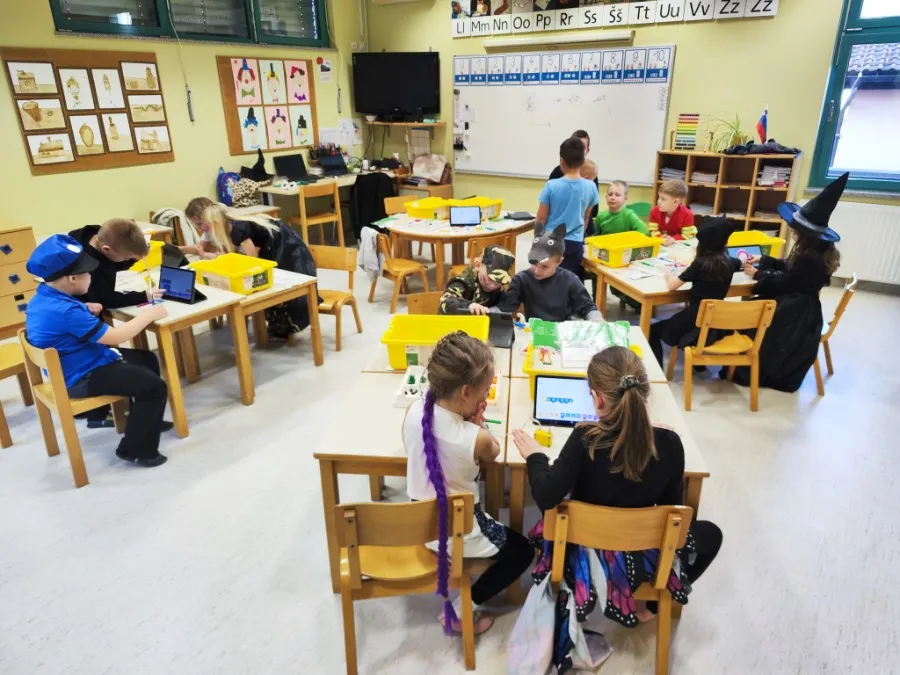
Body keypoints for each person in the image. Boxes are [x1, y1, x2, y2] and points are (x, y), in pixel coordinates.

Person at [512, 347, 722, 638]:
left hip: (584, 552)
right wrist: (654, 434)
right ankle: (655, 605)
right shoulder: (670, 444)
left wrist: (535, 456)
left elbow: (546, 497)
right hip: (640, 551)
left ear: (597, 399)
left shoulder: (584, 439)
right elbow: (671, 508)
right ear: (645, 392)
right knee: (713, 535)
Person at [403, 332, 533, 635]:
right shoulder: (477, 439)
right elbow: (494, 452)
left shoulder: (413, 412)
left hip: (419, 523)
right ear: (465, 392)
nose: (485, 397)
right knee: (523, 552)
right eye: (485, 390)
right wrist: (478, 426)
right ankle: (465, 607)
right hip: (458, 532)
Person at [25, 235, 170, 468]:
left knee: (146, 358)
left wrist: (83, 307)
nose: (91, 276)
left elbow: (60, 316)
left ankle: (145, 419)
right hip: (80, 376)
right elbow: (117, 336)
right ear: (72, 278)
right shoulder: (67, 312)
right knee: (154, 387)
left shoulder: (44, 295)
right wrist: (148, 315)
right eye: (88, 273)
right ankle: (135, 450)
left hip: (73, 365)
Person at [732, 172, 846, 392]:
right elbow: (791, 270)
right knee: (754, 307)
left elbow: (785, 283)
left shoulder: (809, 258)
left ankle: (744, 360)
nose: (793, 231)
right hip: (801, 307)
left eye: (796, 230)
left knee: (752, 313)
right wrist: (765, 261)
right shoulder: (815, 251)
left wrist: (758, 275)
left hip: (794, 315)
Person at [68, 218, 166, 429]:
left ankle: (127, 413)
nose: (127, 261)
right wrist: (146, 307)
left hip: (79, 350)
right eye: (126, 258)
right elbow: (107, 301)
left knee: (145, 359)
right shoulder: (89, 271)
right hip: (82, 364)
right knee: (130, 362)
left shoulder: (92, 234)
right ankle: (99, 413)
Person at [202, 203, 317, 339]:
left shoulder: (236, 229)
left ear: (215, 222)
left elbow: (253, 258)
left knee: (282, 285)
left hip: (285, 245)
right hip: (281, 241)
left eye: (208, 225)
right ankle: (279, 325)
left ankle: (287, 324)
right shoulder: (234, 224)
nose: (207, 229)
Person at [648, 216, 742, 366]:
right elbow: (741, 262)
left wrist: (668, 274)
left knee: (652, 330)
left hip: (694, 321)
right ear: (725, 243)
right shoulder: (730, 262)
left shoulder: (700, 264)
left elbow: (672, 286)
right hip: (715, 323)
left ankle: (657, 370)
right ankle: (699, 366)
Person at [492, 222, 602, 322]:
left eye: (544, 267)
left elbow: (587, 307)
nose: (537, 271)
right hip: (535, 331)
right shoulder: (521, 279)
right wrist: (486, 311)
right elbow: (505, 307)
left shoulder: (570, 280)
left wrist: (596, 318)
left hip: (561, 331)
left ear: (559, 262)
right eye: (534, 263)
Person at [537, 138, 600, 278]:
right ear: (582, 161)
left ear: (562, 162)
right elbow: (586, 217)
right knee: (568, 279)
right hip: (575, 242)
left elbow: (541, 218)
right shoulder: (591, 187)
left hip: (551, 240)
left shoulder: (551, 185)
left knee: (547, 278)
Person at [594, 180, 650, 310]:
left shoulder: (629, 215)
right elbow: (596, 235)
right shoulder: (601, 216)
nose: (612, 197)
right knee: (596, 274)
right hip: (606, 257)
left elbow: (644, 231)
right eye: (610, 194)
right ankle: (594, 302)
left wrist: (626, 242)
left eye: (617, 195)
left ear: (625, 197)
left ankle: (640, 305)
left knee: (616, 288)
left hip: (625, 258)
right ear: (606, 197)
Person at [438, 245, 515, 315]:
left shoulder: (501, 286)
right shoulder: (463, 281)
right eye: (490, 278)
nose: (492, 286)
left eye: (499, 280)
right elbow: (445, 301)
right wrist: (469, 306)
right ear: (478, 265)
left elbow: (506, 305)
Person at [548, 130, 599, 231]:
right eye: (576, 148)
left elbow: (594, 208)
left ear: (587, 150)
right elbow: (550, 204)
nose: (578, 152)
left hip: (583, 226)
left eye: (582, 148)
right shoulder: (557, 172)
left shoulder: (592, 173)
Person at [649, 179, 696, 245]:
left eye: (663, 199)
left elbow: (688, 235)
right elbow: (653, 230)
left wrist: (673, 239)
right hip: (660, 244)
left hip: (678, 245)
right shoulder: (654, 211)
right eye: (659, 197)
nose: (658, 201)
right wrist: (660, 239)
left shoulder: (687, 215)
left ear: (675, 202)